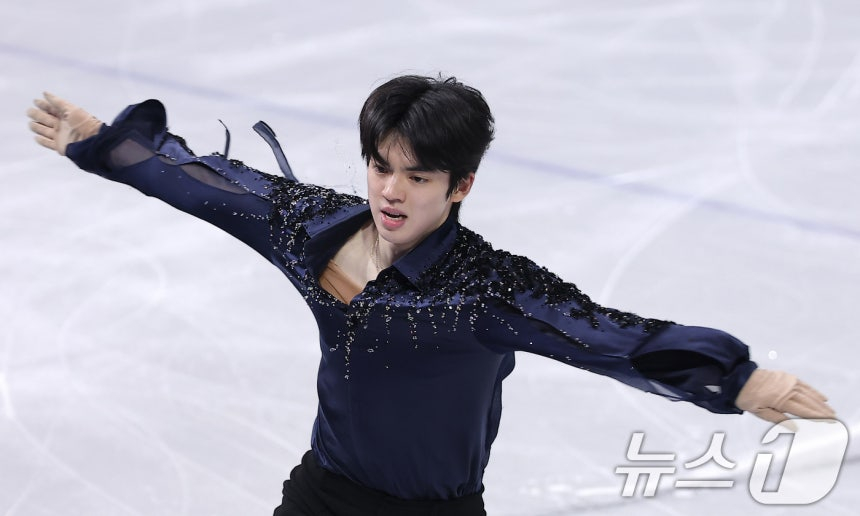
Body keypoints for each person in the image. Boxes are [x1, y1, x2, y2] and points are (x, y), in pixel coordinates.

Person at [27, 75, 835, 516]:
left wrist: (737, 378)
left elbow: (603, 332)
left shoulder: (486, 289)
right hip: (321, 500)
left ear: (461, 186)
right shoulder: (311, 227)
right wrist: (103, 143)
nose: (391, 190)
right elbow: (205, 183)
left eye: (418, 176)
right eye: (381, 165)